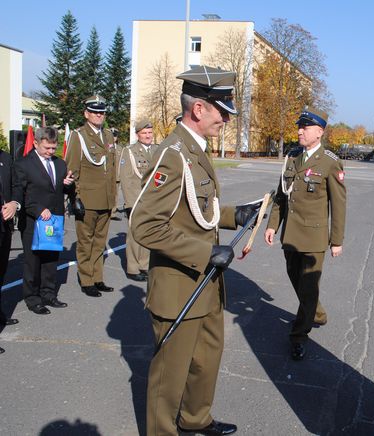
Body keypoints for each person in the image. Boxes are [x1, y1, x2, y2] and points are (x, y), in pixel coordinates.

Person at [131, 65, 258, 436]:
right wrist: (205, 255)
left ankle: (195, 418)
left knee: (205, 360)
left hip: (205, 284)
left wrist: (236, 215)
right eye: (223, 111)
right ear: (199, 109)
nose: (226, 120)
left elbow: (198, 212)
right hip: (179, 287)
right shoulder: (172, 154)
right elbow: (144, 224)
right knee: (169, 376)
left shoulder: (195, 150)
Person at [264, 106, 347, 361]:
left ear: (319, 132)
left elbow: (339, 204)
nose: (300, 130)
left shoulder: (330, 162)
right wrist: (272, 224)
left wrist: (336, 240)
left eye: (305, 127)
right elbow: (281, 196)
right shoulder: (291, 158)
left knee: (308, 287)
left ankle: (299, 335)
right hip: (290, 235)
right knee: (295, 279)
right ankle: (316, 312)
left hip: (313, 237)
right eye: (299, 126)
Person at [13, 127, 75, 315]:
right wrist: (38, 210)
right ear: (36, 143)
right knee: (33, 262)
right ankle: (32, 298)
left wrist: (68, 185)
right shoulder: (23, 164)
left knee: (50, 260)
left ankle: (48, 293)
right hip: (33, 220)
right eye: (46, 148)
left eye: (53, 148)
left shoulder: (60, 164)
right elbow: (20, 193)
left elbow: (64, 192)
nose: (50, 152)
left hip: (54, 220)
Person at [65, 95, 117, 297]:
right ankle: (86, 280)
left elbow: (111, 170)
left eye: (102, 112)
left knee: (100, 242)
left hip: (106, 199)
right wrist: (74, 198)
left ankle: (97, 277)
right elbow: (72, 169)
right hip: (87, 199)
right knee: (86, 242)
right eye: (95, 112)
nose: (99, 115)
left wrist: (113, 197)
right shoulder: (79, 136)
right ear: (86, 114)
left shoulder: (109, 136)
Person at [119, 120, 157, 282]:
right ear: (137, 135)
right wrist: (130, 204)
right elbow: (127, 180)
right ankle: (133, 268)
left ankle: (145, 264)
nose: (148, 136)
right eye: (144, 133)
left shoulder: (158, 149)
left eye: (149, 133)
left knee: (149, 232)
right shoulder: (130, 152)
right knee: (135, 234)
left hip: (154, 200)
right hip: (136, 200)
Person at [0, 148, 20, 354]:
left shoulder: (5, 157)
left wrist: (14, 203)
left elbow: (16, 185)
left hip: (4, 226)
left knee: (2, 272)